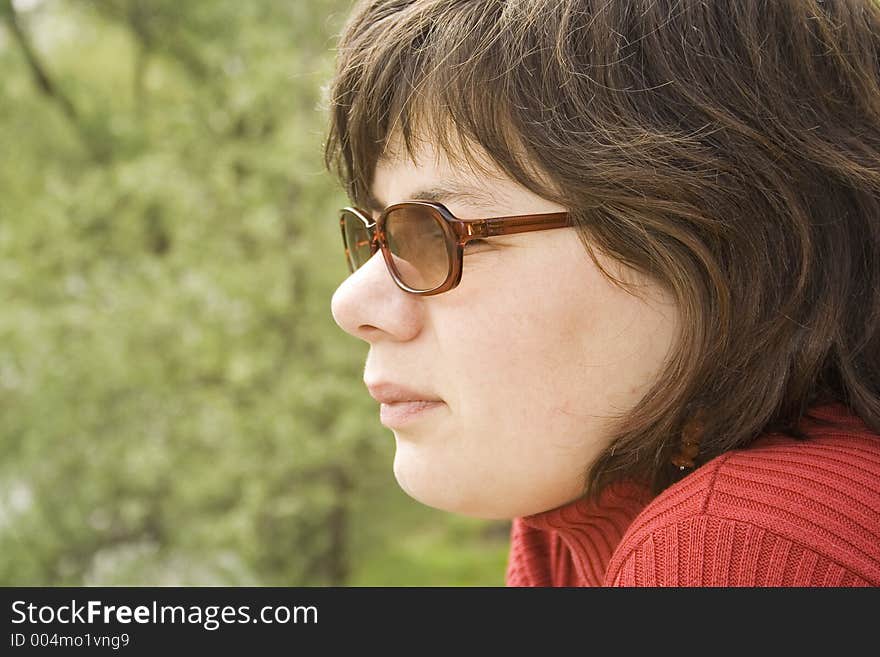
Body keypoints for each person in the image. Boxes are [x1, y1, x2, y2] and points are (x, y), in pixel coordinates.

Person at [325, 0, 880, 586]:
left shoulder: (742, 548)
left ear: (720, 242)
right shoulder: (574, 516)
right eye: (377, 233)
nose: (353, 303)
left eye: (436, 232)